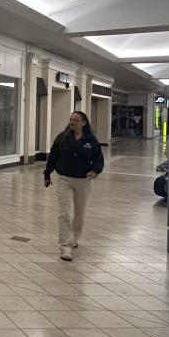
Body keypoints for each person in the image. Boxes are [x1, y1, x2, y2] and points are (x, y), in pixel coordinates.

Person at [43, 111, 104, 261]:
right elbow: (53, 157)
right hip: (64, 179)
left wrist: (95, 171)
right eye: (71, 119)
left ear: (83, 123)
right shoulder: (62, 138)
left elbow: (99, 159)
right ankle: (65, 246)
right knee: (64, 213)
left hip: (84, 181)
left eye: (76, 120)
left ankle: (75, 237)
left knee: (79, 213)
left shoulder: (91, 140)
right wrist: (47, 174)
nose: (72, 122)